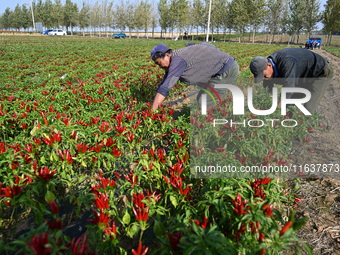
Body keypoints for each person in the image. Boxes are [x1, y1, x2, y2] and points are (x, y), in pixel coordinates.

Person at [150, 43, 239, 111]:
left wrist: (153, 111)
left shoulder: (177, 60)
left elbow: (165, 87)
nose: (159, 66)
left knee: (207, 102)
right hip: (219, 72)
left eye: (159, 63)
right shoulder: (174, 60)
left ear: (167, 55)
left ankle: (213, 126)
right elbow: (164, 83)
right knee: (201, 98)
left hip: (225, 69)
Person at [249, 48, 333, 114]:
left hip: (320, 73)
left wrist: (277, 108)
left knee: (308, 108)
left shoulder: (287, 62)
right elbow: (268, 89)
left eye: (263, 75)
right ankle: (290, 126)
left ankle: (307, 131)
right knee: (289, 106)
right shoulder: (266, 67)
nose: (264, 78)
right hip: (302, 76)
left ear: (269, 65)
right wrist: (268, 101)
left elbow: (289, 87)